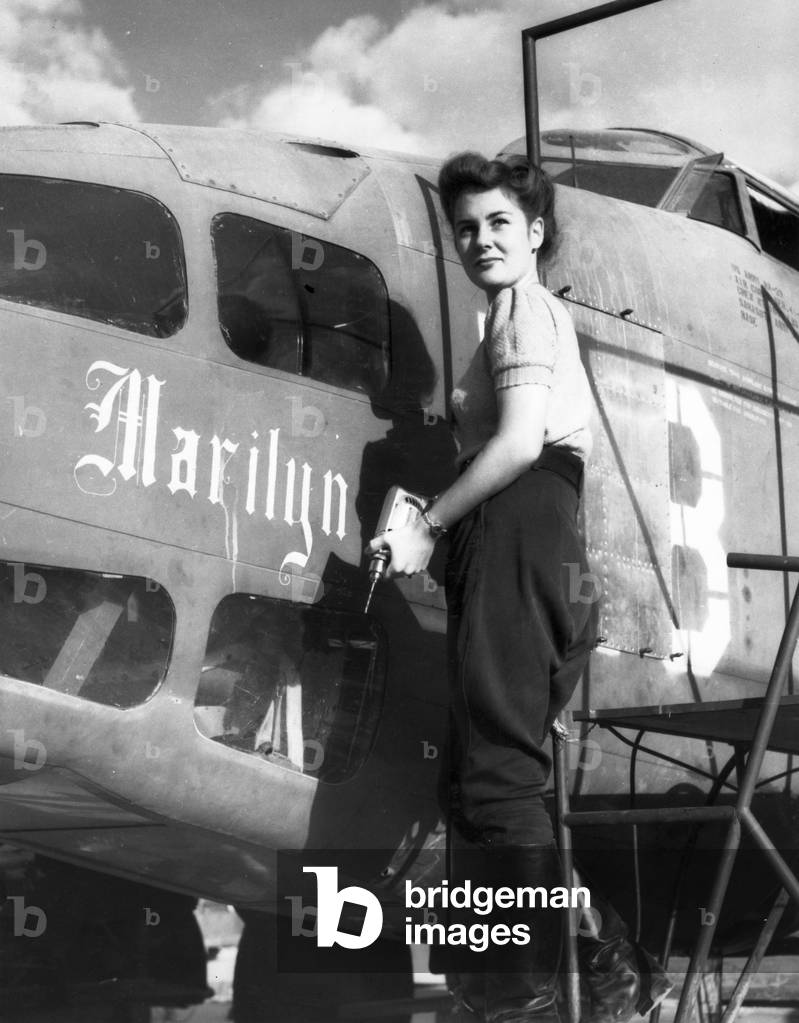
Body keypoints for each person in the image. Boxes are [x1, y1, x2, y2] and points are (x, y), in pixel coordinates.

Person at [366, 151, 596, 1022]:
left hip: (517, 515)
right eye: (466, 227)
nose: (480, 238)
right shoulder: (505, 315)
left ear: (534, 232)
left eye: (499, 221)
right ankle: (534, 980)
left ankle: (525, 997)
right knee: (476, 776)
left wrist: (426, 524)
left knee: (494, 776)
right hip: (513, 528)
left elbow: (518, 446)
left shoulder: (524, 312)